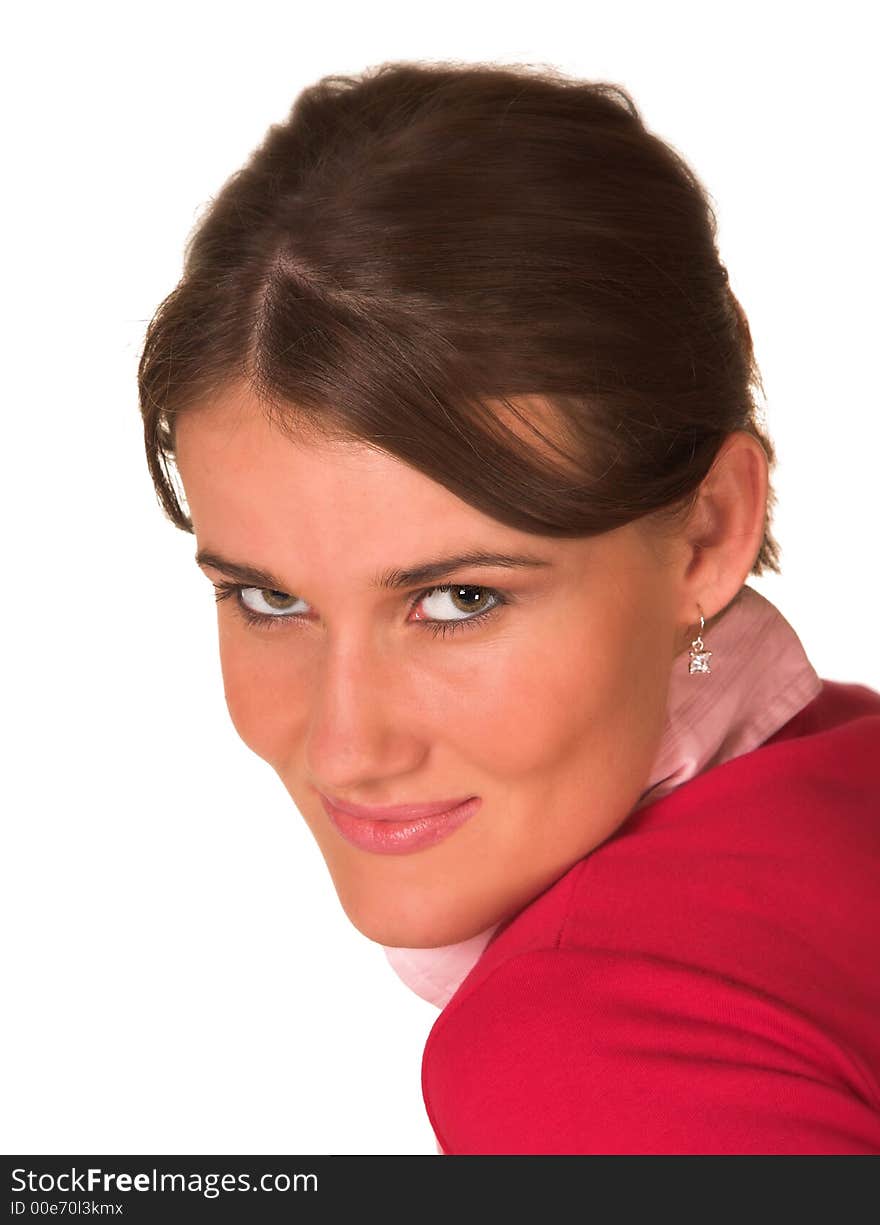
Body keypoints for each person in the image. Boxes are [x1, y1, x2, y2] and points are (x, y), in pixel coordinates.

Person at [137, 59, 880, 1154]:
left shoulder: (585, 1041)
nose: (347, 749)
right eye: (268, 597)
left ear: (708, 533)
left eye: (459, 597)